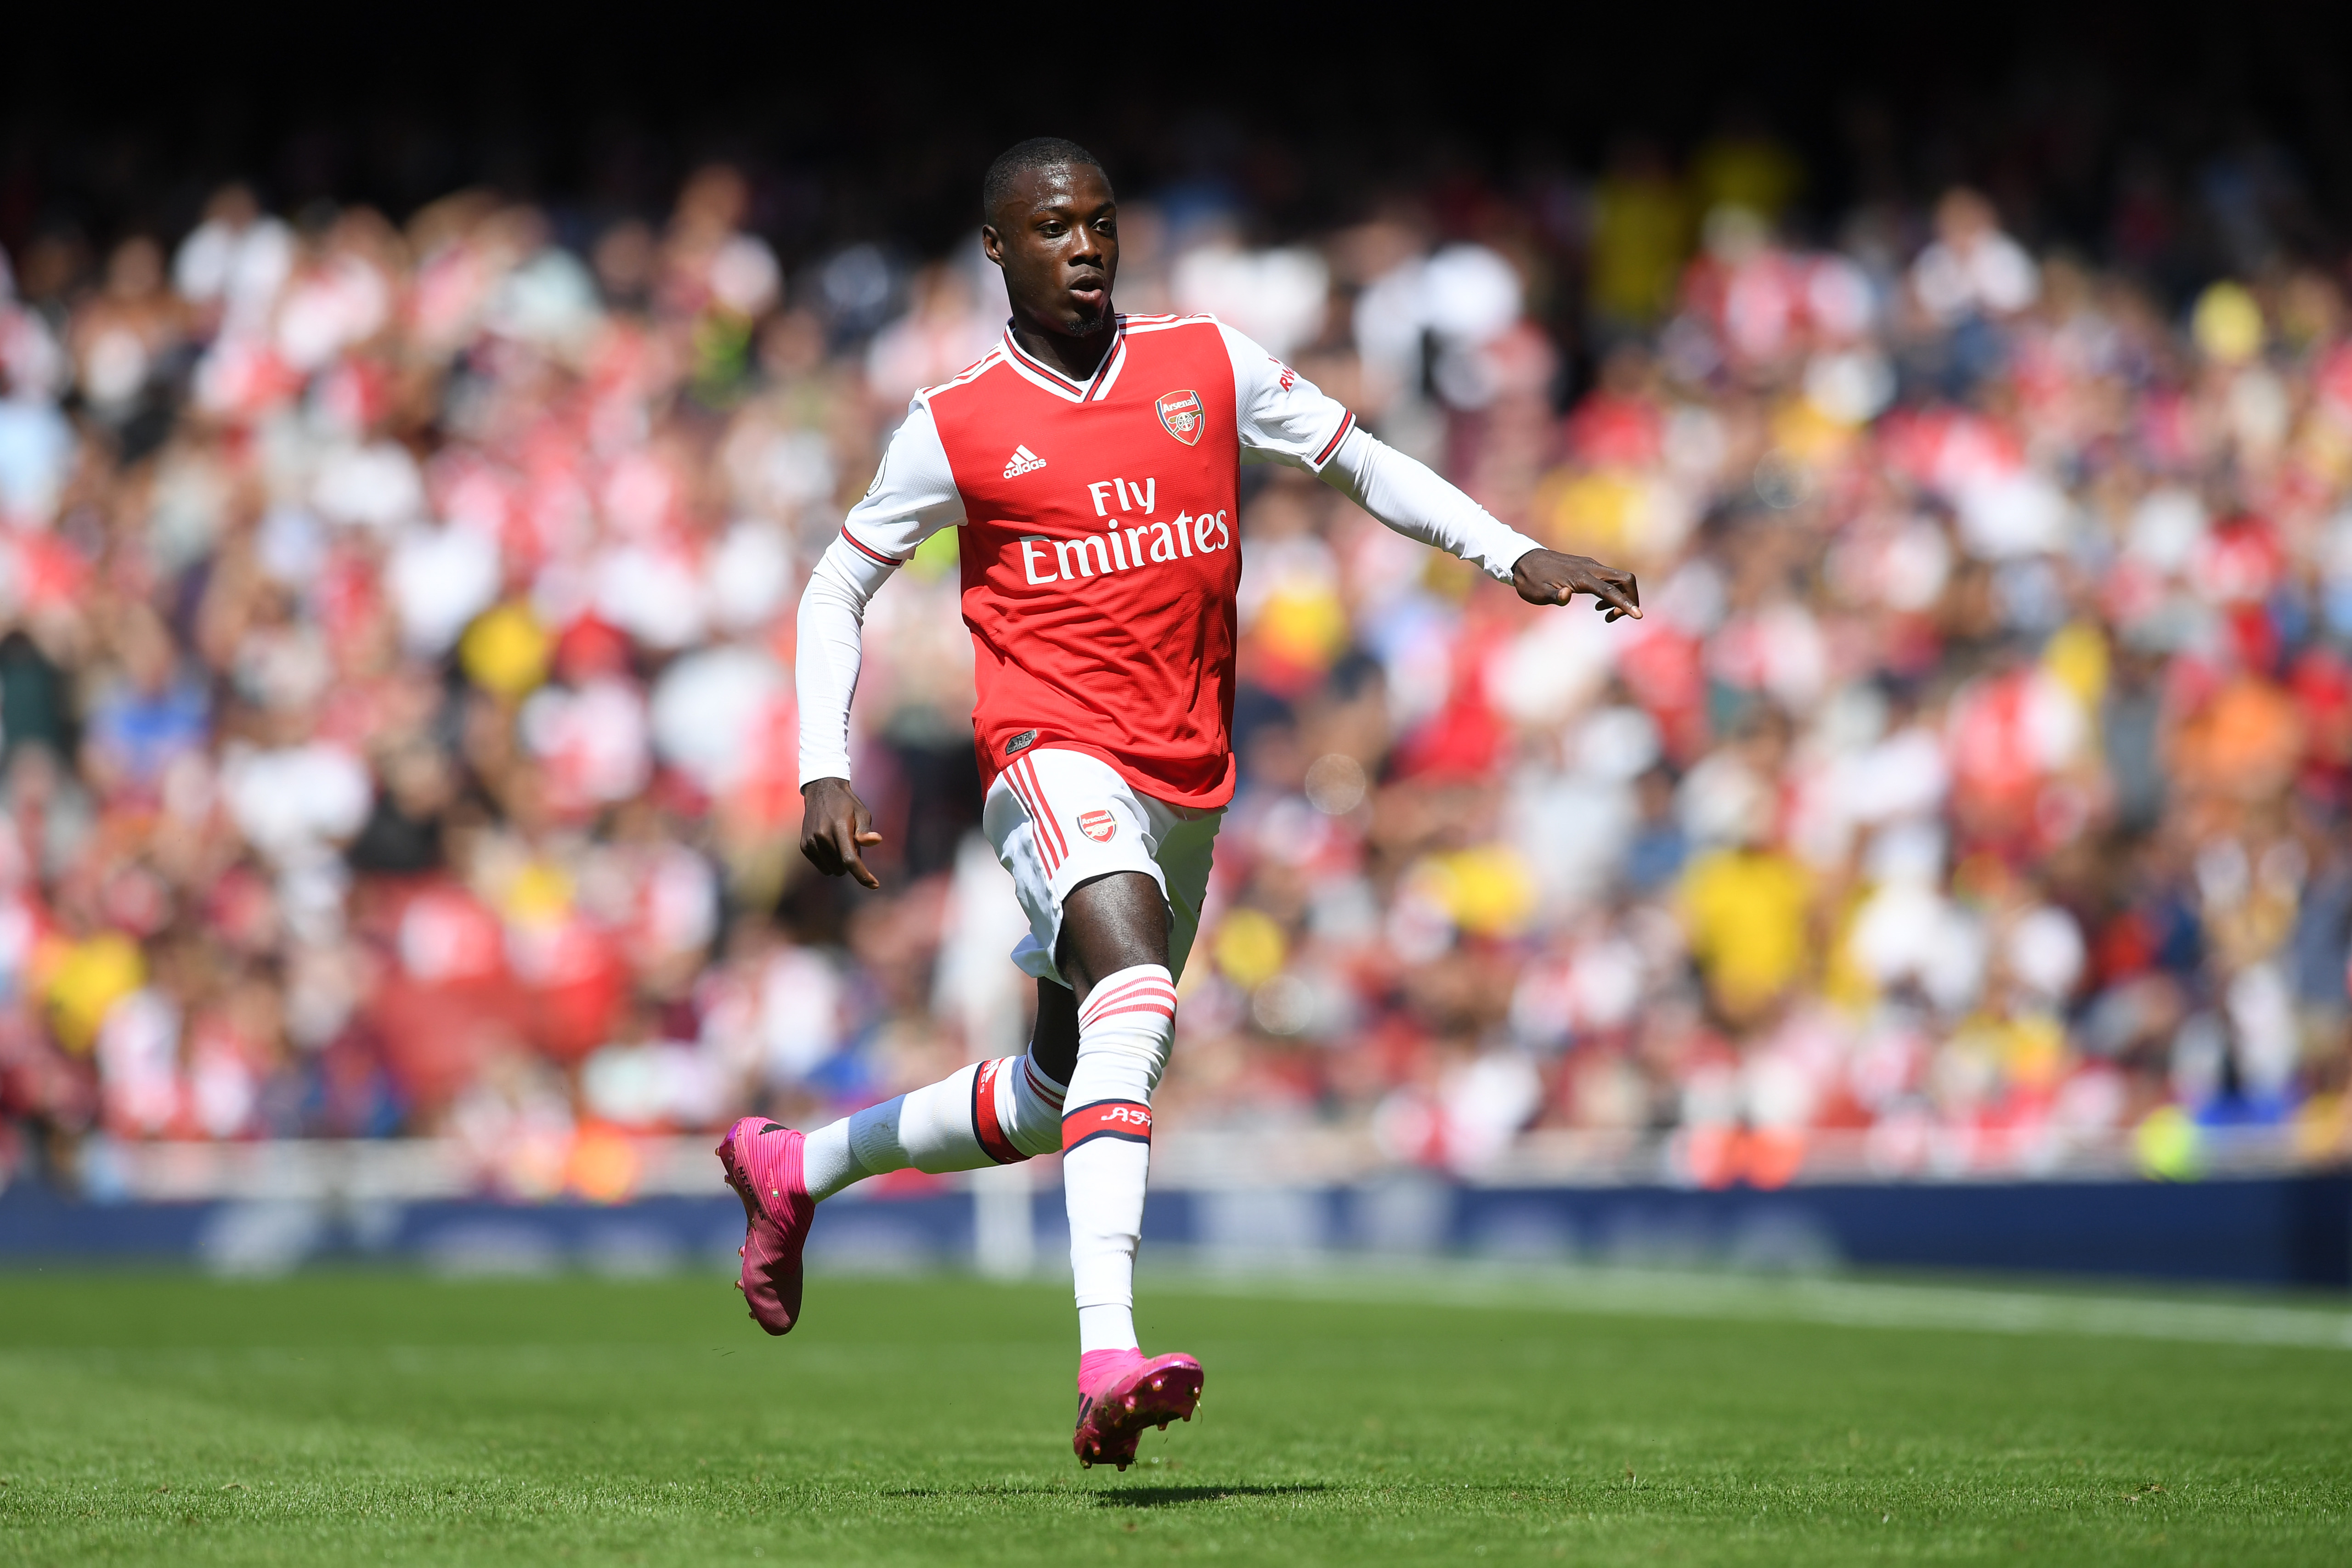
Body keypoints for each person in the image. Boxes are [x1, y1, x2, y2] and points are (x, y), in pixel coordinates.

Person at [716, 137, 1641, 1471]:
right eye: (1051, 228)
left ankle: (795, 1169)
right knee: (1137, 996)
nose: (1083, 247)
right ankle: (1108, 1353)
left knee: (1054, 1089)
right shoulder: (958, 419)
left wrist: (1515, 553)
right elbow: (835, 587)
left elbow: (1363, 462)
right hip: (1049, 756)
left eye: (1099, 223)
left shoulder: (1206, 363)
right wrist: (822, 761)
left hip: (1188, 773)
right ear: (997, 250)